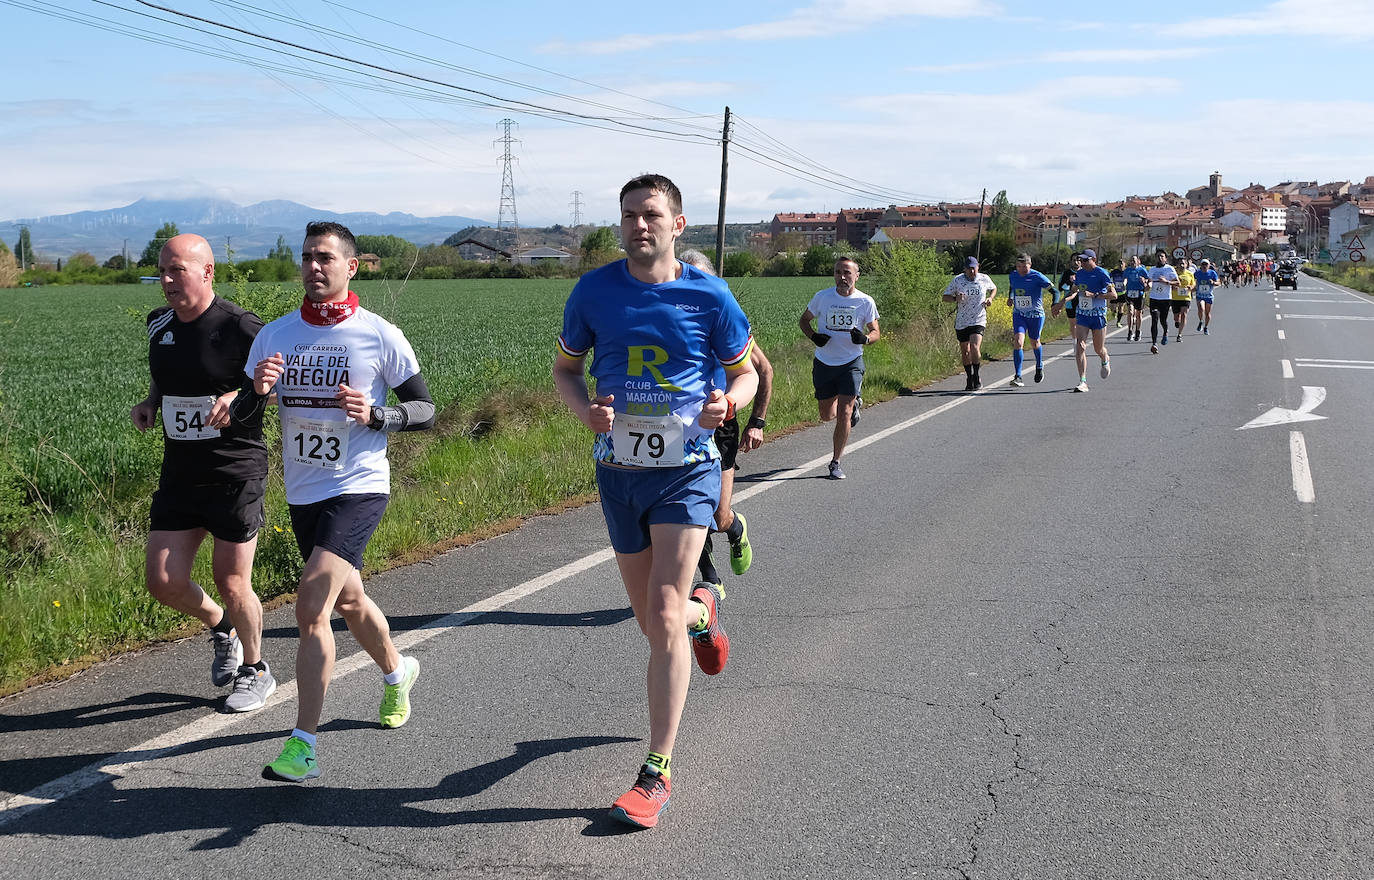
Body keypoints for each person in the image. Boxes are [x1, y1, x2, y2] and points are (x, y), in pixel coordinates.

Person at [554, 175, 758, 829]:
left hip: (687, 471)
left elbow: (747, 370)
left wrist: (732, 400)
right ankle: (704, 617)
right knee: (656, 624)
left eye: (650, 215)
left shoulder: (708, 296)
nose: (639, 226)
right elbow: (565, 368)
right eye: (628, 217)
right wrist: (584, 407)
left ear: (678, 224)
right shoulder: (593, 291)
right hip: (619, 472)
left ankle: (656, 773)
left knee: (660, 616)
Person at [232, 221, 436, 783]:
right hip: (304, 490)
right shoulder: (274, 336)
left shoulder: (379, 334)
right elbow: (244, 420)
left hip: (360, 485)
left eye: (325, 258)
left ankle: (303, 745)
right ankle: (398, 671)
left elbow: (425, 410)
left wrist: (376, 415)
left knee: (310, 607)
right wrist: (257, 392)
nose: (314, 267)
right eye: (306, 258)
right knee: (348, 602)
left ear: (351, 267)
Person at [130, 233, 275, 713]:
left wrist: (238, 396)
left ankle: (256, 671)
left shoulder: (241, 326)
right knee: (163, 580)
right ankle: (222, 628)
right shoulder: (158, 324)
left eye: (179, 271)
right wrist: (152, 401)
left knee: (233, 581)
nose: (168, 281)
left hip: (235, 469)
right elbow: (165, 370)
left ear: (208, 273)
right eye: (163, 271)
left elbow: (274, 384)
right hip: (181, 471)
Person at [678, 249, 775, 587]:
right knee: (688, 511)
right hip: (680, 428)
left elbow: (763, 370)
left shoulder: (724, 318)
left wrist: (757, 422)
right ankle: (709, 578)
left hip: (721, 426)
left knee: (717, 516)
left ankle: (735, 528)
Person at [799, 255, 879, 479]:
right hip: (824, 362)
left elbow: (876, 332)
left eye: (847, 273)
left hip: (851, 363)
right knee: (826, 415)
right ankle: (852, 405)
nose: (842, 277)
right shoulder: (822, 297)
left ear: (856, 276)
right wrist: (814, 337)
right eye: (838, 272)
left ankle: (835, 462)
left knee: (844, 412)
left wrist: (864, 339)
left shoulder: (865, 301)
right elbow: (803, 320)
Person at [941, 256, 997, 392]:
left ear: (978, 267)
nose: (972, 271)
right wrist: (955, 298)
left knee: (974, 347)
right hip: (962, 321)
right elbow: (945, 297)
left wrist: (990, 298)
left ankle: (977, 376)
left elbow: (993, 288)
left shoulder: (984, 278)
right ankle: (969, 377)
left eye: (974, 268)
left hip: (978, 318)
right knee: (965, 351)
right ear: (964, 269)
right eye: (969, 269)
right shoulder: (957, 280)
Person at [1067, 248, 1115, 392]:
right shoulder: (1079, 274)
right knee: (1080, 345)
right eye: (1081, 260)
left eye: (1085, 260)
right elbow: (1075, 290)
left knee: (1098, 348)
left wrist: (1094, 295)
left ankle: (1105, 358)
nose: (1082, 262)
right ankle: (1083, 381)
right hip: (1082, 314)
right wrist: (1062, 302)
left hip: (1098, 315)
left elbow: (1113, 295)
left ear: (1094, 260)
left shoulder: (1102, 273)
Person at [1004, 253, 1054, 386]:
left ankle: (1039, 365)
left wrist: (1055, 304)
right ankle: (1018, 376)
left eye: (1024, 267)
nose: (1021, 270)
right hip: (1019, 314)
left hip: (1035, 315)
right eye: (1018, 266)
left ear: (1030, 265)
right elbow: (1012, 287)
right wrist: (1011, 297)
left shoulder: (1037, 276)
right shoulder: (1013, 275)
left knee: (1035, 342)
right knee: (1018, 341)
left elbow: (1054, 291)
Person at [1146, 250, 1179, 354]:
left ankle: (1165, 331)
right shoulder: (1152, 269)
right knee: (1154, 319)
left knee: (1163, 320)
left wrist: (1167, 282)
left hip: (1165, 299)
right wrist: (1147, 285)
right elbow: (1149, 282)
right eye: (1158, 256)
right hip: (1154, 298)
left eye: (1162, 256)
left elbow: (1178, 283)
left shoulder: (1169, 269)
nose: (1160, 258)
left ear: (1166, 258)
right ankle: (1154, 344)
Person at [1122, 254, 1149, 341]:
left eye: (1134, 260)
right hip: (1130, 293)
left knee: (1138, 314)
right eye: (1131, 260)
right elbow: (1125, 278)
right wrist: (1124, 283)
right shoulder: (1127, 270)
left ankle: (1138, 330)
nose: (1132, 262)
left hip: (1139, 293)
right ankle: (1130, 331)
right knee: (1130, 311)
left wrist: (1144, 281)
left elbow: (1148, 280)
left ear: (1138, 261)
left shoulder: (1142, 270)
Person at [1194, 258, 1219, 335]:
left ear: (1209, 266)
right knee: (1201, 308)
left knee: (1207, 313)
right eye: (1203, 264)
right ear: (1201, 266)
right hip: (1199, 295)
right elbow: (1193, 281)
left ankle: (1206, 327)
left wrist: (1213, 282)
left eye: (1206, 264)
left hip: (1209, 296)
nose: (1204, 266)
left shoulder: (1212, 273)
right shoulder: (1197, 273)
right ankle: (1201, 321)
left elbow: (1218, 282)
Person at [1172, 258, 1195, 342]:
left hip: (1186, 297)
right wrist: (1173, 287)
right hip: (1175, 298)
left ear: (1186, 265)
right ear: (1177, 265)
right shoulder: (1174, 273)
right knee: (1176, 316)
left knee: (1184, 314)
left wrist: (1191, 287)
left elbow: (1193, 284)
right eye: (1180, 264)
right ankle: (1177, 321)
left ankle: (1179, 334)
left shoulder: (1190, 274)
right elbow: (1169, 283)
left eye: (1183, 264)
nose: (1182, 265)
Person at [1110, 259, 1127, 328]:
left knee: (1121, 307)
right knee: (1113, 308)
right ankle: (1114, 312)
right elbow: (1109, 278)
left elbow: (1127, 278)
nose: (1120, 265)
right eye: (1119, 264)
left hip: (1123, 292)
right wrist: (1111, 284)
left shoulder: (1126, 272)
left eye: (1122, 264)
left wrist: (1125, 283)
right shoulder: (1114, 272)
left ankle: (1118, 322)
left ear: (1125, 264)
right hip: (1115, 292)